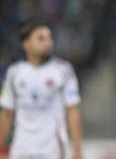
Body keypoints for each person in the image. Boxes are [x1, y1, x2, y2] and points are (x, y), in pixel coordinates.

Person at [0, 21, 83, 159]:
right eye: (41, 38)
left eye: (49, 38)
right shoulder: (14, 73)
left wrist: (78, 149)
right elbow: (7, 113)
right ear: (26, 44)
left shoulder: (63, 71)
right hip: (20, 149)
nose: (48, 43)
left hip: (52, 150)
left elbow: (72, 111)